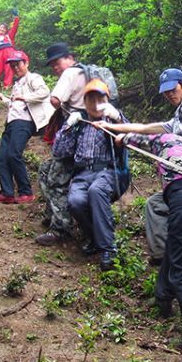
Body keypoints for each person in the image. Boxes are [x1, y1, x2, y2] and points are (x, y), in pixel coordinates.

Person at [107, 127, 182, 348]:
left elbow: (136, 138)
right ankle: (162, 297)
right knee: (177, 245)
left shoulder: (164, 139)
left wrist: (122, 139)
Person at [101, 67, 182, 265]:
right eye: (166, 92)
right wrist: (109, 126)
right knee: (158, 205)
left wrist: (170, 151)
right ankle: (168, 253)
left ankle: (168, 255)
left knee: (164, 206)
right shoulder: (177, 119)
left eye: (173, 89)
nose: (170, 94)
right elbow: (143, 128)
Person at [47, 79, 126, 269]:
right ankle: (95, 238)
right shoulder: (79, 123)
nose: (95, 103)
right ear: (84, 102)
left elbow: (131, 137)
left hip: (109, 171)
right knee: (75, 202)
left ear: (107, 100)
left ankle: (109, 249)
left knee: (96, 192)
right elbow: (59, 151)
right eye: (90, 99)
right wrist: (67, 127)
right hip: (83, 174)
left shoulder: (114, 119)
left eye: (100, 98)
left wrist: (117, 120)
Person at [35, 42, 94, 245]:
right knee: (46, 169)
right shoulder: (90, 73)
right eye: (52, 65)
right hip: (93, 139)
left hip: (75, 137)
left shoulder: (70, 74)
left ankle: (61, 229)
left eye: (57, 62)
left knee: (55, 179)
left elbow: (55, 100)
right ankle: (53, 214)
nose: (55, 68)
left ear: (70, 57)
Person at [0, 50, 51, 204]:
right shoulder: (17, 84)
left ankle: (26, 192)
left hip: (24, 122)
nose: (15, 68)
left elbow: (44, 92)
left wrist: (24, 97)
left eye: (18, 64)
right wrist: (4, 98)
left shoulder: (33, 78)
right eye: (12, 66)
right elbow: (15, 103)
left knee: (14, 154)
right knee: (2, 157)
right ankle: (7, 192)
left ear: (26, 63)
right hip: (11, 122)